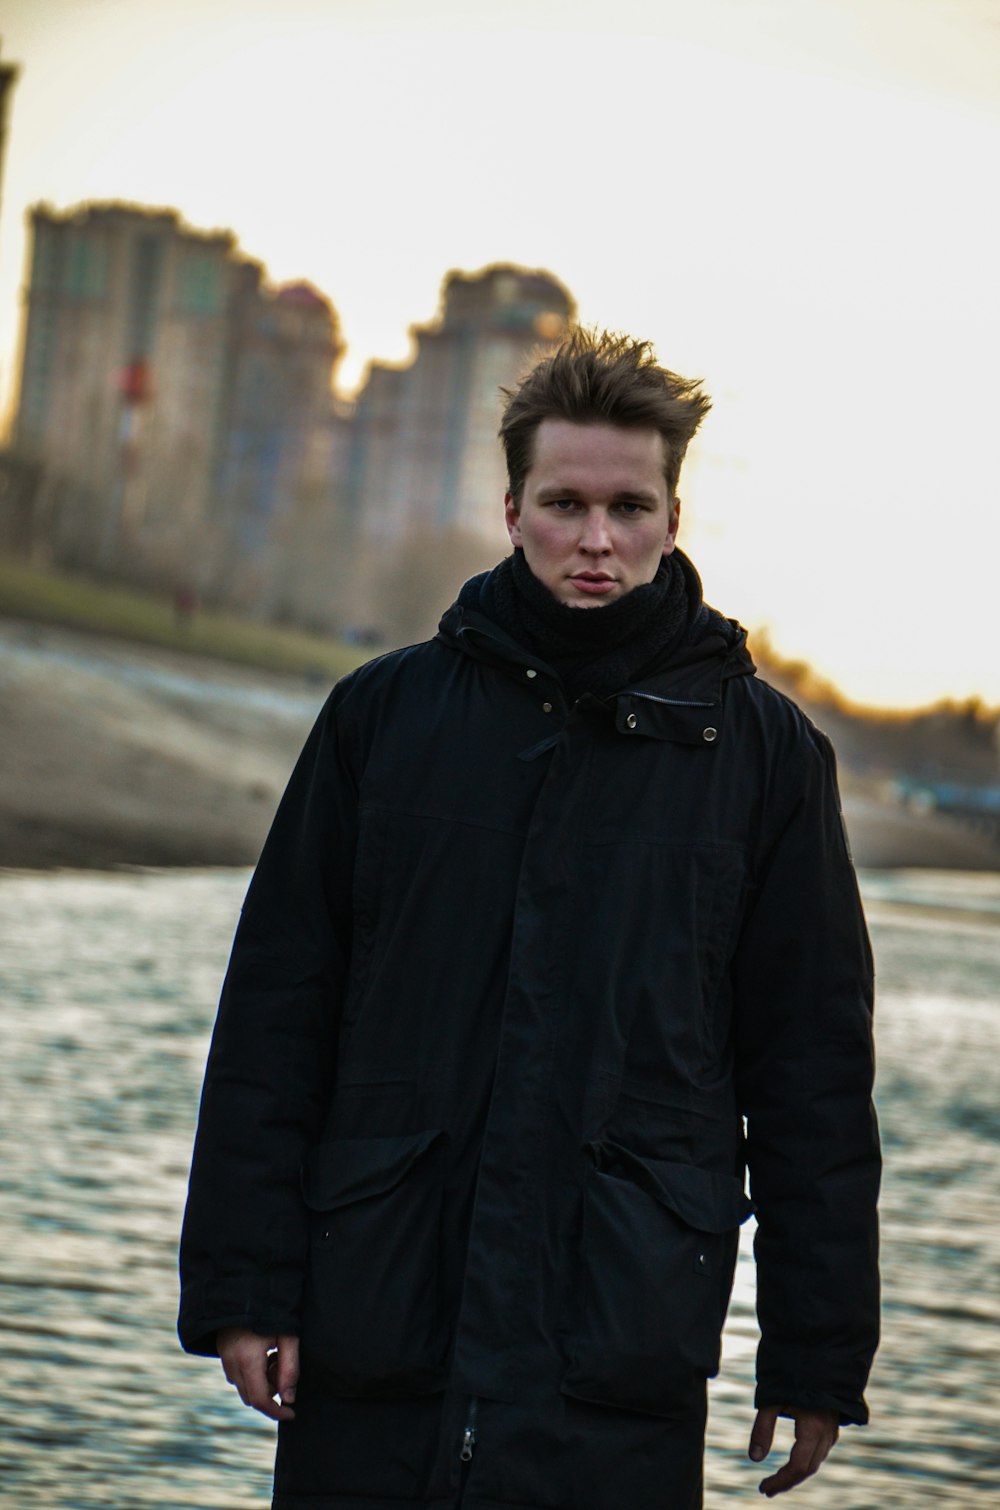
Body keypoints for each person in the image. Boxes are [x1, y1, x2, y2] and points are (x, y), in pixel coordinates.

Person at [179, 330, 880, 1510]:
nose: (595, 539)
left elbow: (810, 1074)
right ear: (511, 507)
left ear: (670, 516)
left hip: (617, 1337)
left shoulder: (766, 760)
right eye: (564, 503)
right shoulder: (382, 718)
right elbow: (276, 1017)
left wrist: (816, 1350)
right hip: (382, 1314)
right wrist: (248, 1284)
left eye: (627, 505)